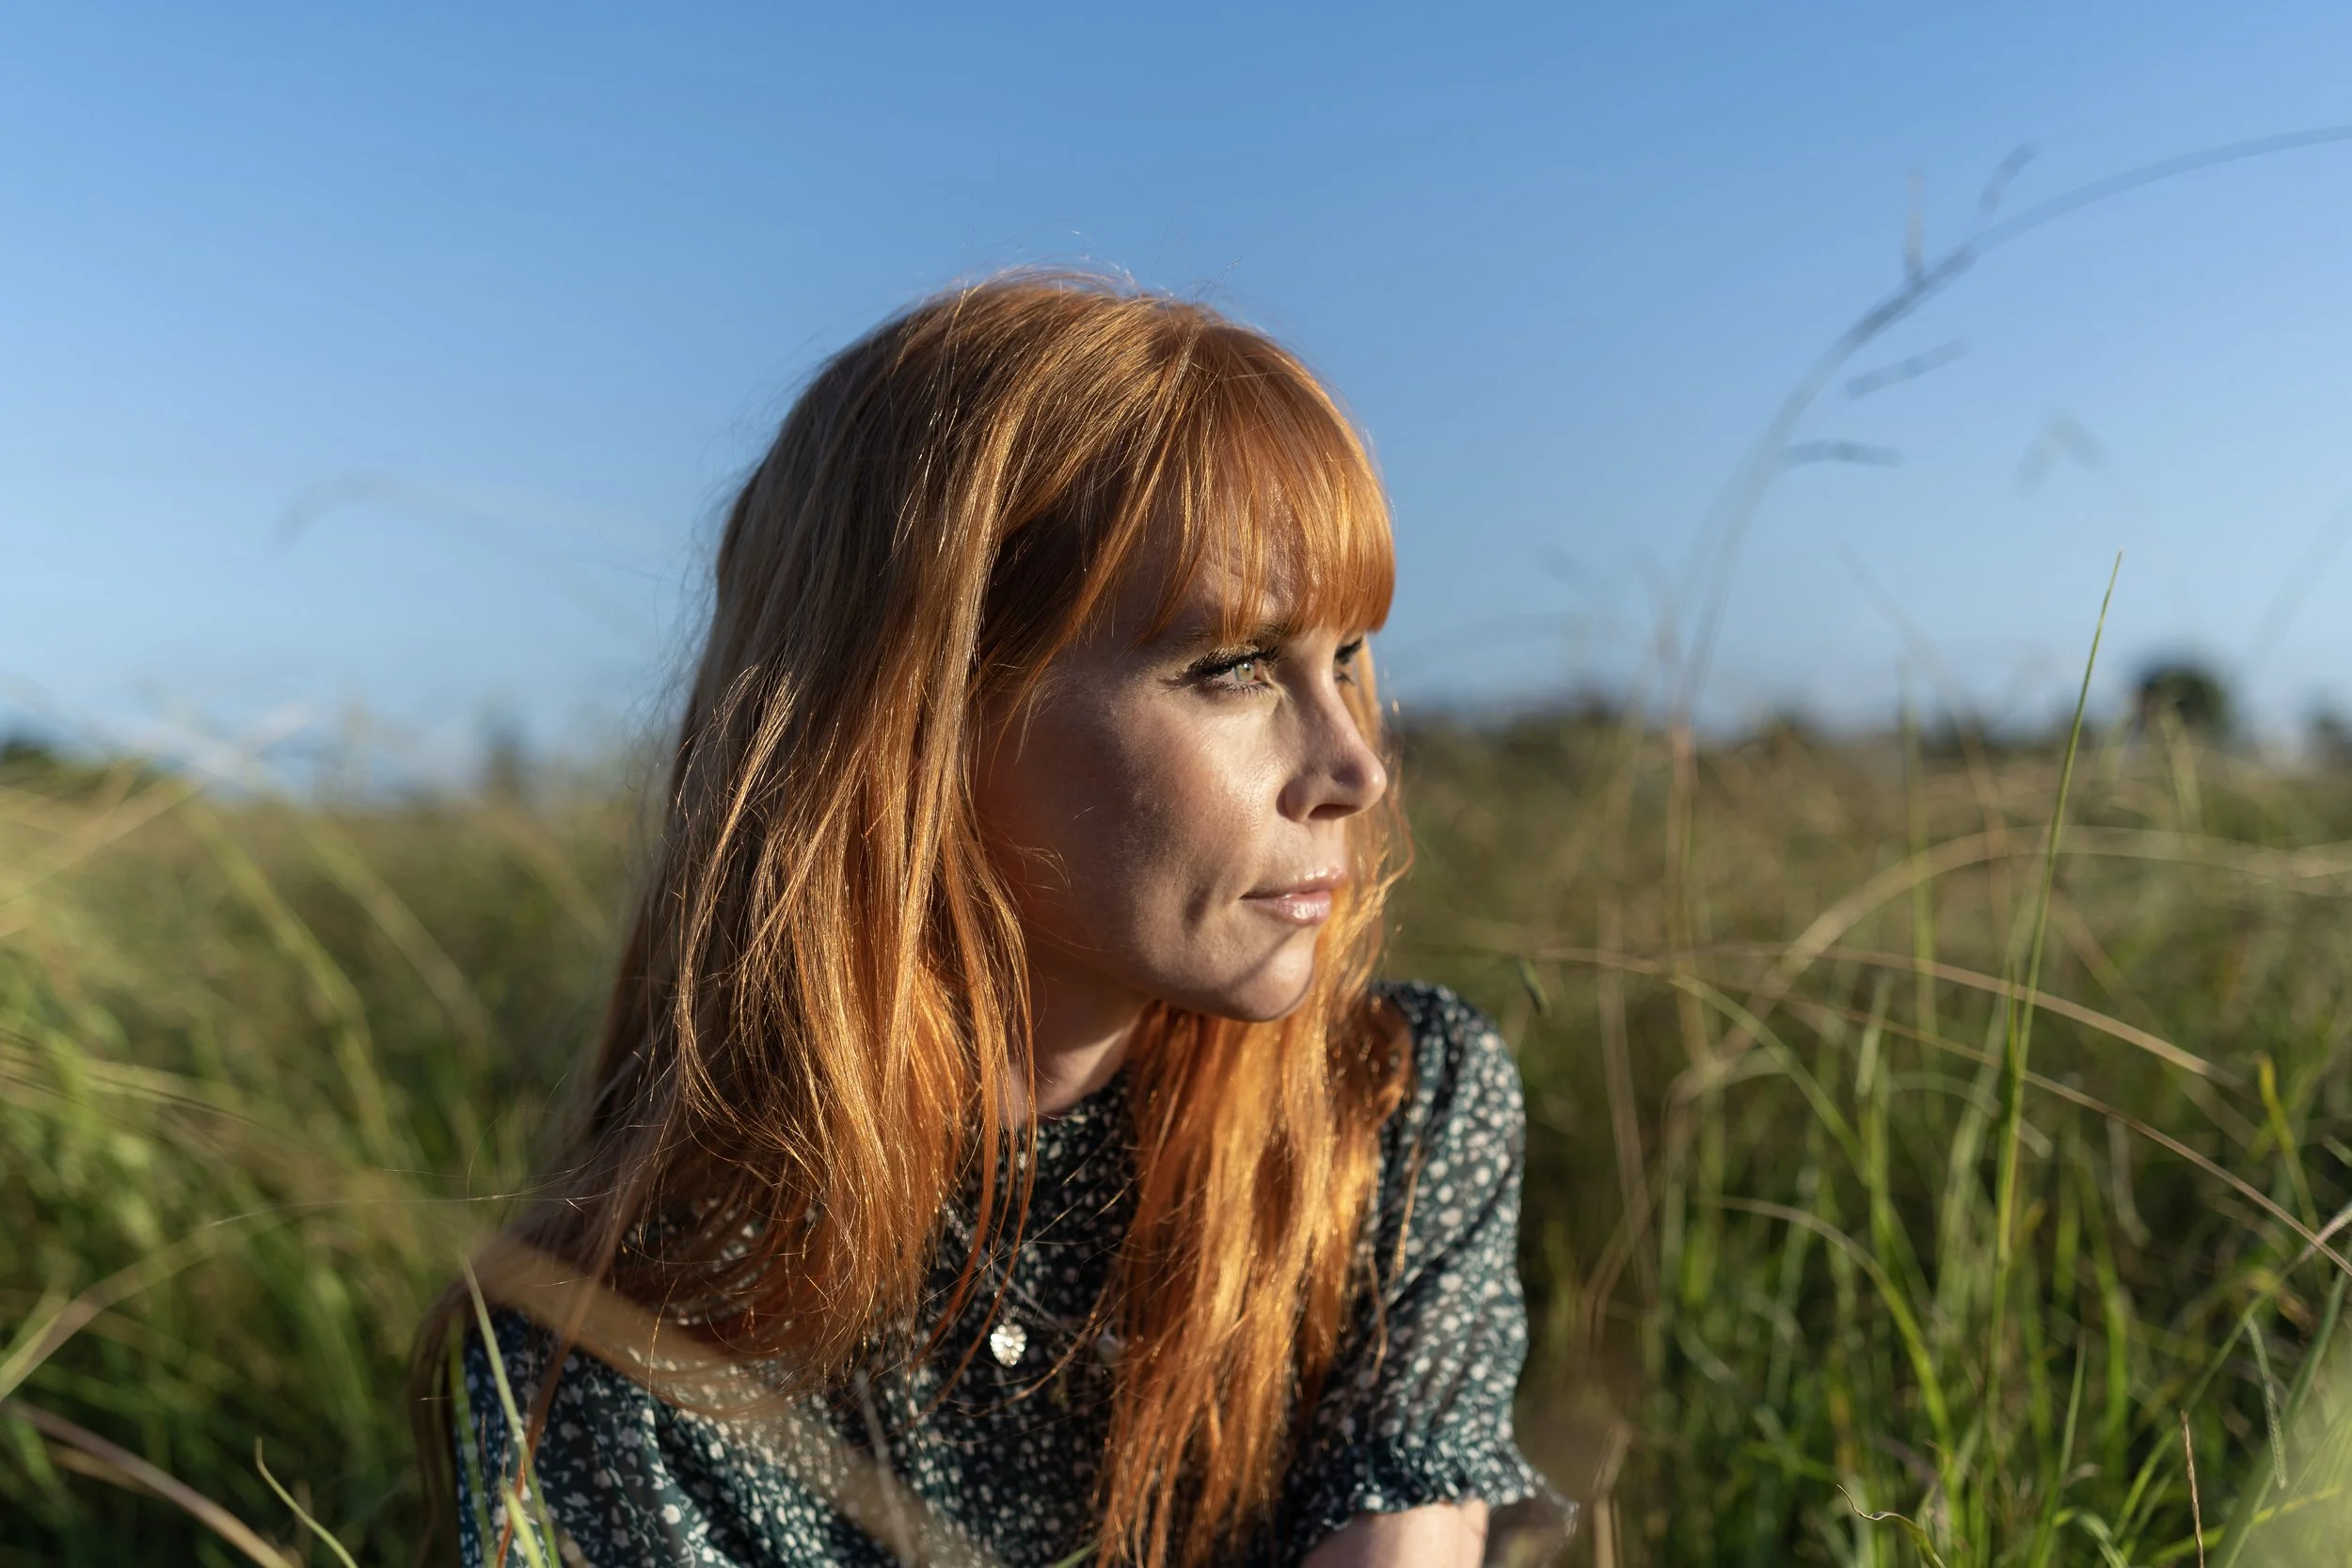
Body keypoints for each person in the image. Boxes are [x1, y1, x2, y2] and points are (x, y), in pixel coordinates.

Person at [411, 273, 1559, 1568]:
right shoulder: (619, 1359)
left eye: (1347, 656)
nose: (1356, 766)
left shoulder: (1379, 1118)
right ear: (920, 718)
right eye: (1233, 667)